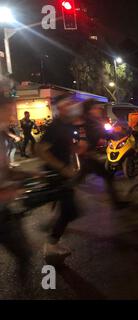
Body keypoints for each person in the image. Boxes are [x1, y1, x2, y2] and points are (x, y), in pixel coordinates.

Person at [36, 94, 81, 260]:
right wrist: (62, 167)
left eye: (72, 104)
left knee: (68, 209)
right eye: (68, 104)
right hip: (55, 174)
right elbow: (40, 150)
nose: (72, 106)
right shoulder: (56, 126)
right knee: (70, 210)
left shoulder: (67, 125)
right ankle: (51, 244)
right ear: (60, 108)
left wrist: (75, 150)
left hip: (62, 173)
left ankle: (52, 235)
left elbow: (68, 145)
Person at [0, 96, 33, 286]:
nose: (12, 114)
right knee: (23, 252)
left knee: (23, 253)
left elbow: (5, 170)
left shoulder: (2, 135)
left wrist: (25, 174)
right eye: (8, 110)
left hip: (5, 210)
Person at [76, 99, 128, 209]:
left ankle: (62, 191)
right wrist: (119, 133)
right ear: (90, 111)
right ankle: (117, 203)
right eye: (95, 108)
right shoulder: (92, 122)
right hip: (88, 156)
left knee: (78, 179)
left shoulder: (86, 120)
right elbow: (105, 134)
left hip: (85, 156)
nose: (99, 109)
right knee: (107, 176)